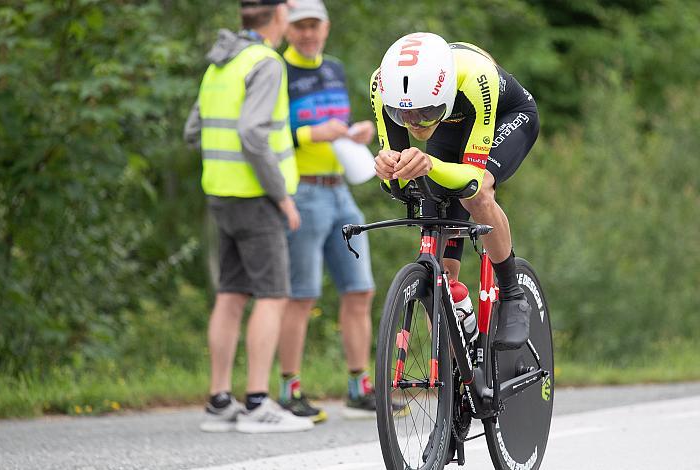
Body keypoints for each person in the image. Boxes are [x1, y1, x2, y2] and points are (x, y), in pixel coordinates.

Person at [183, 0, 313, 434]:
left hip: (220, 194)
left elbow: (193, 131)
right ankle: (258, 403)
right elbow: (253, 134)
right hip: (257, 199)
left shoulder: (221, 62)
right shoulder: (266, 63)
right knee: (273, 296)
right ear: (278, 15)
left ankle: (220, 401)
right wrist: (283, 198)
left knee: (232, 293)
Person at [371, 32, 539, 352]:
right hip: (448, 126)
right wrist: (388, 168)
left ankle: (512, 294)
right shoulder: (382, 85)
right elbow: (400, 184)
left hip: (506, 115)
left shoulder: (478, 76)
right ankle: (456, 359)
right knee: (440, 269)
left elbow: (473, 179)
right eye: (404, 114)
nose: (416, 124)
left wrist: (430, 166)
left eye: (424, 113)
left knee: (477, 193)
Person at [275, 0, 379, 422]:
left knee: (360, 290)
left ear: (326, 27)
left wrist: (359, 131)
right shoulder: (276, 70)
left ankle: (358, 387)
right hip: (302, 192)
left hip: (341, 191)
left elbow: (338, 119)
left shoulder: (334, 67)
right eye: (299, 27)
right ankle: (289, 389)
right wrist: (307, 133)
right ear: (287, 30)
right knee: (301, 295)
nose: (307, 34)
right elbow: (265, 129)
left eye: (314, 25)